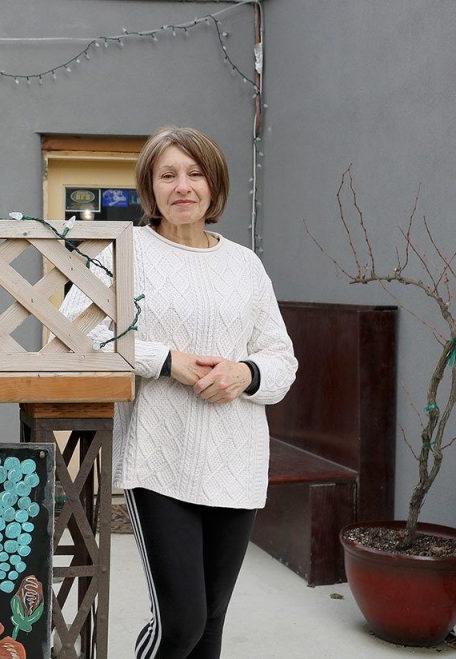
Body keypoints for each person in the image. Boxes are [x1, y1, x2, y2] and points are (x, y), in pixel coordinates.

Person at [60, 126, 298, 659]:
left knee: (211, 625)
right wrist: (166, 360)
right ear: (150, 187)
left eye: (195, 173)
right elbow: (72, 331)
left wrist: (246, 374)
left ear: (215, 185)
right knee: (181, 624)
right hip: (161, 460)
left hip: (237, 462)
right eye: (168, 175)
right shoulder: (123, 253)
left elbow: (282, 361)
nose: (183, 186)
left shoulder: (245, 265)